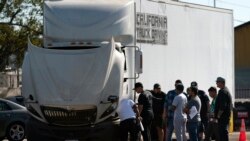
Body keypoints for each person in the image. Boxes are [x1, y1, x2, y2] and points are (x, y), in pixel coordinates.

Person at [214, 77, 232, 141]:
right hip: (225, 116)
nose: (216, 83)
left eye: (218, 82)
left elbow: (222, 106)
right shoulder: (225, 90)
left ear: (222, 83)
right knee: (223, 133)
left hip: (223, 117)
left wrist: (218, 116)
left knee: (222, 133)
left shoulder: (223, 92)